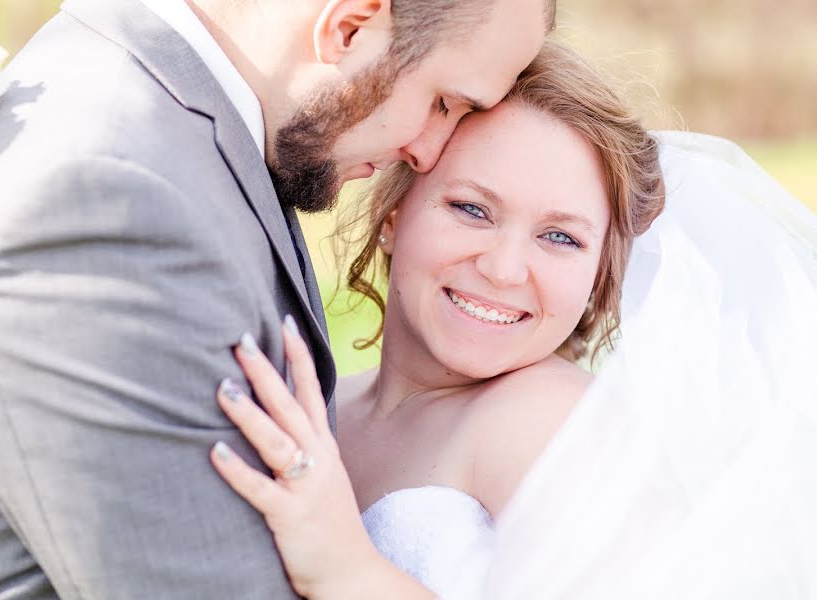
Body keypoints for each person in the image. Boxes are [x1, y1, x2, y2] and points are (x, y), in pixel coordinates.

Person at [0, 0, 552, 597]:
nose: (427, 153)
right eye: (443, 103)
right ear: (350, 26)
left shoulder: (178, 138)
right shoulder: (105, 194)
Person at [208, 41, 817, 599]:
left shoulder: (551, 421)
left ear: (600, 272)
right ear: (394, 214)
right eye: (472, 209)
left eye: (560, 237)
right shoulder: (333, 397)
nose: (503, 269)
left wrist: (349, 571)